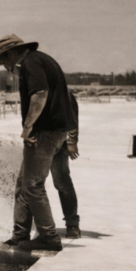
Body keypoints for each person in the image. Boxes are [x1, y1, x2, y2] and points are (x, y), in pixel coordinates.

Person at [0, 34, 73, 252]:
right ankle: (20, 235)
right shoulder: (39, 60)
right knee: (23, 185)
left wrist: (27, 128)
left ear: (10, 54)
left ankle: (49, 237)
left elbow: (40, 94)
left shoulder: (30, 62)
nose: (6, 67)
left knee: (32, 186)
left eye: (3, 61)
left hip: (44, 132)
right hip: (52, 132)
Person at [50, 92, 80, 238]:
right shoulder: (34, 84)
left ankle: (72, 224)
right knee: (32, 184)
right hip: (38, 141)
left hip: (58, 143)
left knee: (62, 182)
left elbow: (72, 117)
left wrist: (72, 142)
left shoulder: (63, 90)